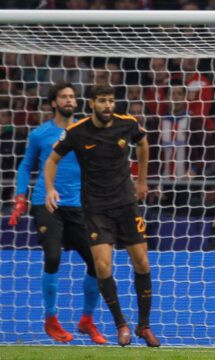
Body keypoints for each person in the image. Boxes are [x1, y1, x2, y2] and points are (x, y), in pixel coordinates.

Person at [43, 85, 160, 347]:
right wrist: (50, 189)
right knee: (103, 266)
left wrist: (141, 181)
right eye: (102, 101)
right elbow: (52, 160)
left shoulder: (127, 124)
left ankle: (144, 326)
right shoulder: (76, 132)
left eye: (111, 101)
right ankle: (121, 325)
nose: (108, 106)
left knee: (142, 263)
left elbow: (142, 142)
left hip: (126, 205)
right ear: (92, 103)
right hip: (95, 209)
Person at [8, 81, 105, 344]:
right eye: (63, 97)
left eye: (72, 96)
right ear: (53, 103)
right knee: (53, 256)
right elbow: (26, 166)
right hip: (46, 203)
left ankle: (86, 320)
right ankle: (50, 319)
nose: (69, 101)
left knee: (98, 263)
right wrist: (20, 197)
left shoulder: (86, 131)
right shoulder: (40, 134)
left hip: (78, 206)